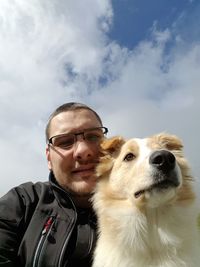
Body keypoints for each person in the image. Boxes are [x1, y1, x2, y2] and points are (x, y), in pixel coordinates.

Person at [0, 102, 108, 267]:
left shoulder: (144, 208)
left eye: (93, 137)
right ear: (49, 158)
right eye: (65, 142)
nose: (83, 150)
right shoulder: (23, 201)